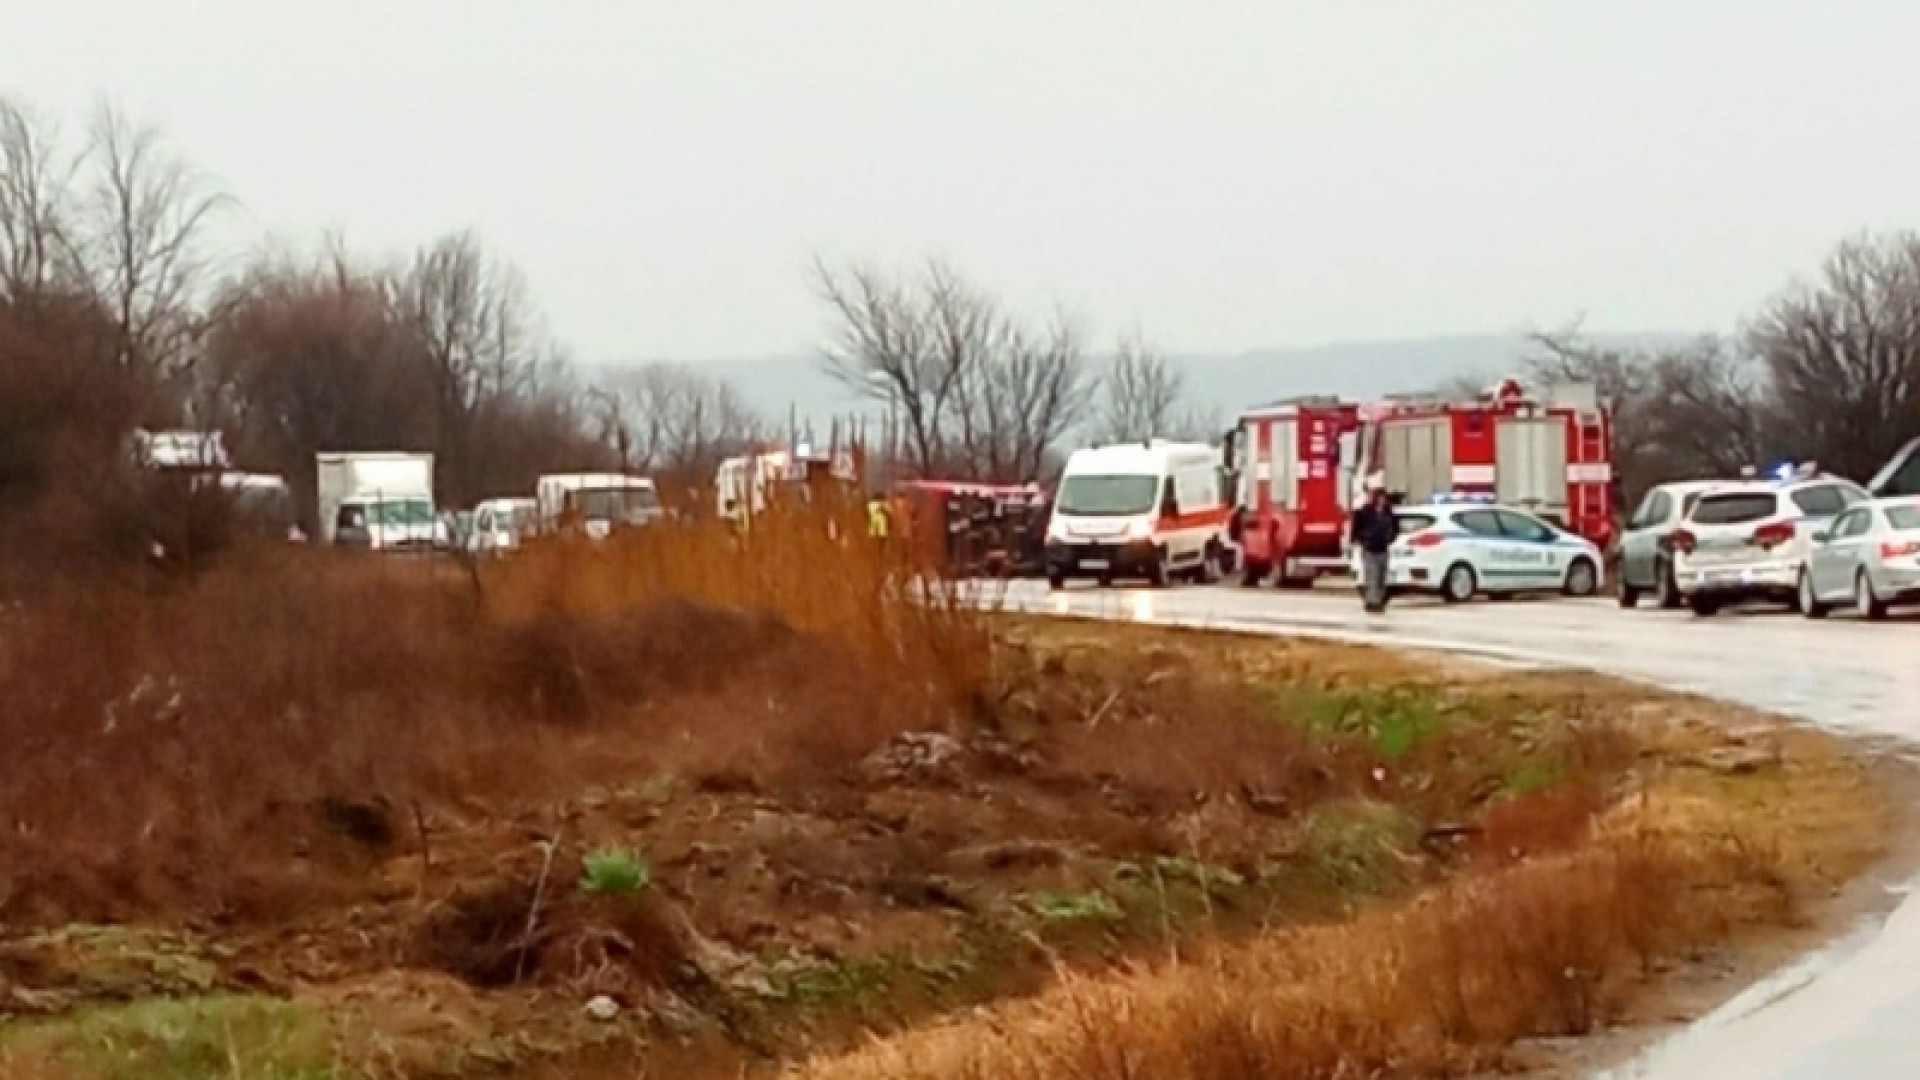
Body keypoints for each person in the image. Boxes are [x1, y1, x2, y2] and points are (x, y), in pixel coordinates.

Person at [1349, 485, 1400, 613]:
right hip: (1370, 548)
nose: (1382, 500)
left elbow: (1395, 527)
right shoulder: (1364, 511)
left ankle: (1379, 599)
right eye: (1380, 497)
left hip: (1383, 548)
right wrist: (1362, 540)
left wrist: (1390, 538)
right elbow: (1356, 529)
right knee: (1372, 575)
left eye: (1384, 498)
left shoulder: (1388, 512)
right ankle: (1372, 602)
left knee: (1382, 576)